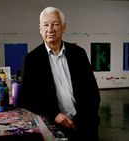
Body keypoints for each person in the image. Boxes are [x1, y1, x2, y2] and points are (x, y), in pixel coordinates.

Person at [17, 7, 101, 141]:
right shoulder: (32, 60)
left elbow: (93, 93)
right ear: (40, 29)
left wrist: (85, 120)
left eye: (55, 24)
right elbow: (26, 98)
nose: (50, 29)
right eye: (45, 25)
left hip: (85, 125)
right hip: (54, 126)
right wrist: (54, 114)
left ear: (64, 27)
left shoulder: (79, 54)